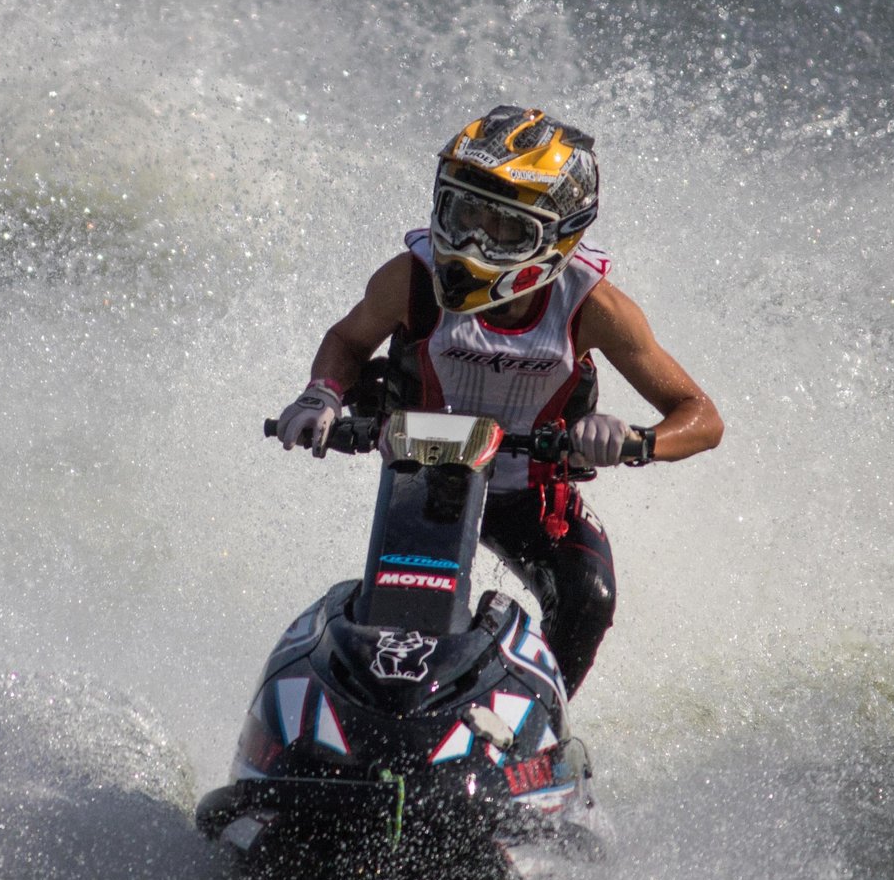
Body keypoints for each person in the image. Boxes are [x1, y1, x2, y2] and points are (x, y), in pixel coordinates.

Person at [274, 105, 722, 697]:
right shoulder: (409, 279)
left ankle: (528, 729)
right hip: (424, 483)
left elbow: (701, 417)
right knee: (400, 624)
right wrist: (320, 395)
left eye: (503, 229)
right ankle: (350, 709)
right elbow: (347, 342)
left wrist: (636, 442)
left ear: (558, 237)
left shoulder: (596, 309)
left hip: (534, 501)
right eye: (462, 215)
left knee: (590, 599)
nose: (470, 243)